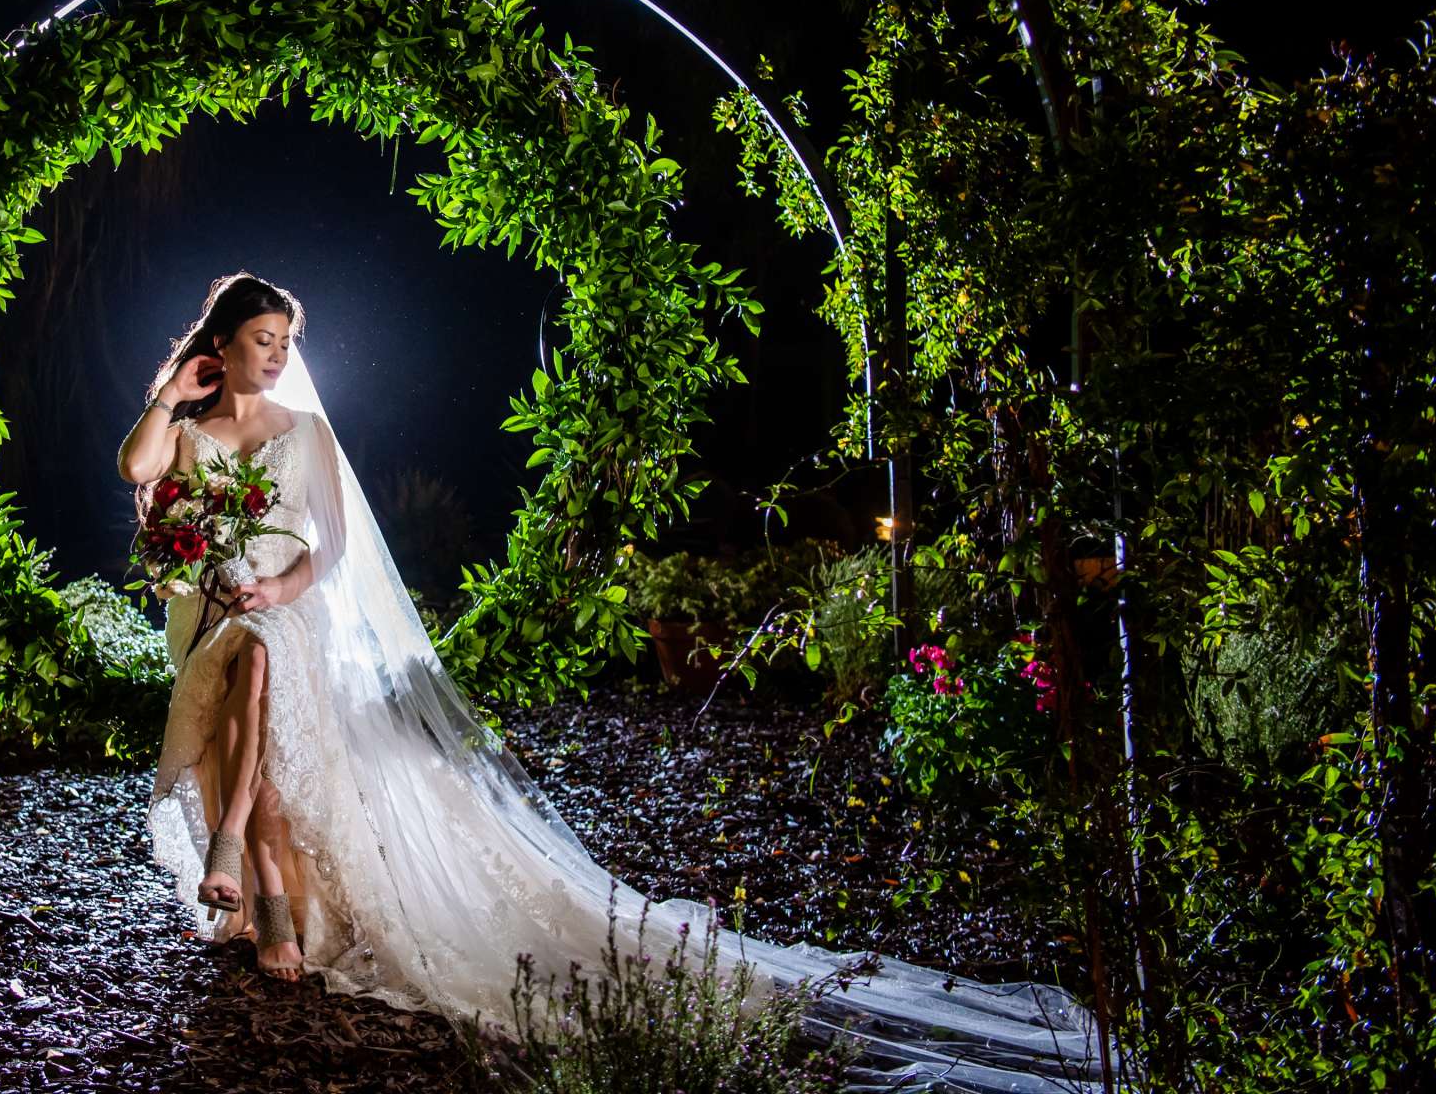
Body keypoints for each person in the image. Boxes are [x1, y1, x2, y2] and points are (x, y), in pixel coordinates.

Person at [116, 271, 1104, 1091]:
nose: (277, 353)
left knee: (265, 657)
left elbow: (327, 550)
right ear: (222, 344)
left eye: (285, 337)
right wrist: (173, 394)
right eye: (259, 337)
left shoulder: (309, 432)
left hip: (288, 609)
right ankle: (259, 874)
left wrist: (278, 584)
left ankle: (254, 865)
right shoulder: (196, 423)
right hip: (209, 609)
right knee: (246, 664)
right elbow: (137, 468)